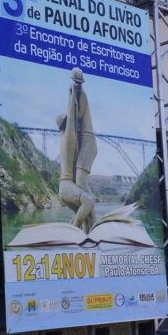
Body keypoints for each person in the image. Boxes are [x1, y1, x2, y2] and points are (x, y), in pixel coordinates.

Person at [56, 68, 98, 232]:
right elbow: (73, 116)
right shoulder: (68, 138)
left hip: (88, 142)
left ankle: (88, 227)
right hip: (66, 186)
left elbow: (75, 114)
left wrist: (73, 94)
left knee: (81, 183)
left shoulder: (83, 95)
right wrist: (71, 96)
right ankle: (81, 229)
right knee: (85, 194)